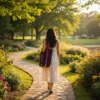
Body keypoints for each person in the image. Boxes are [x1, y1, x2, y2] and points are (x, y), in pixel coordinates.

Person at [41, 29, 60, 94]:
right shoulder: (56, 41)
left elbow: (43, 50)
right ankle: (50, 88)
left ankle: (49, 87)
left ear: (47, 34)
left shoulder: (45, 41)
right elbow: (58, 52)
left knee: (47, 73)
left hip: (47, 60)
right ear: (54, 34)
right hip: (54, 59)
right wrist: (59, 60)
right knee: (53, 73)